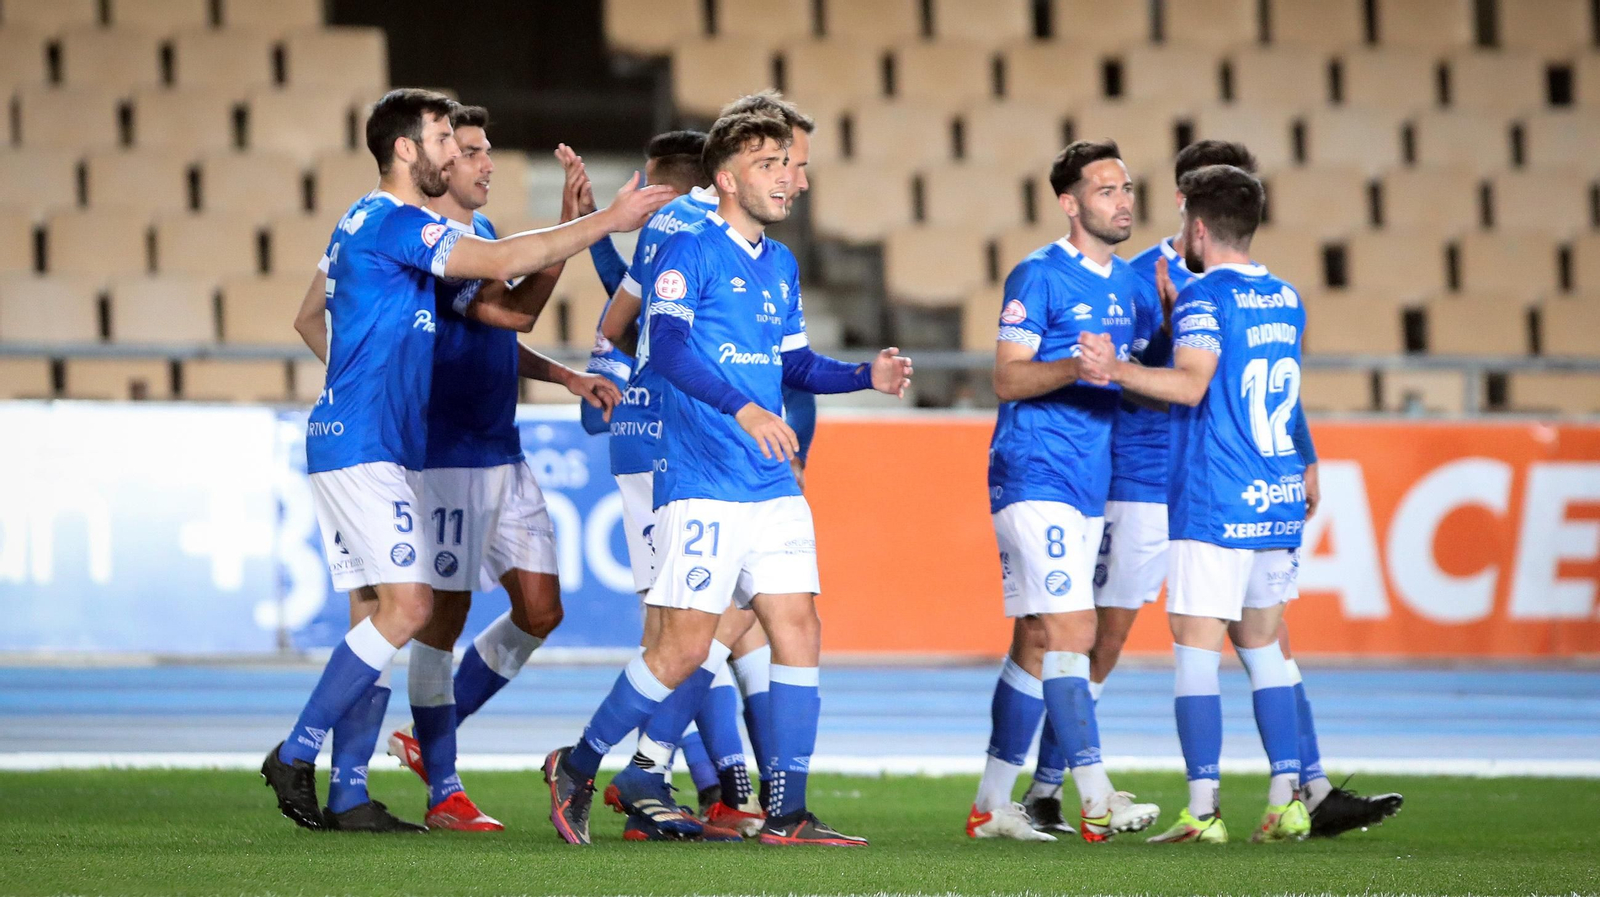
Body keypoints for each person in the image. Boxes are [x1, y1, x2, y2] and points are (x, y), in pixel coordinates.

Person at [262, 87, 671, 833]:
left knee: (380, 612)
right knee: (417, 611)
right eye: (448, 140)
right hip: (377, 445)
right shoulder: (398, 223)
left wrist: (356, 385)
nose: (459, 153)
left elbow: (320, 314)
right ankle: (298, 753)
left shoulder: (362, 217)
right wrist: (604, 223)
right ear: (409, 150)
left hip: (372, 438)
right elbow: (508, 263)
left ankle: (349, 793)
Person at [542, 109, 910, 847]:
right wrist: (744, 410)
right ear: (728, 178)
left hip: (770, 483)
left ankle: (789, 812)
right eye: (772, 163)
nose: (790, 178)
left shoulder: (780, 262)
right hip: (705, 478)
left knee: (798, 627)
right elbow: (668, 347)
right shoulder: (689, 245)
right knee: (680, 649)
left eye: (790, 163)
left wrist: (863, 373)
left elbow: (794, 362)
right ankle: (579, 767)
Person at [1025, 140, 1401, 840]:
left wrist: (1305, 451)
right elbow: (1139, 380)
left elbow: (1247, 380)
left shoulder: (1210, 284)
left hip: (1214, 481)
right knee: (1107, 636)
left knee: (1258, 636)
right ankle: (1050, 784)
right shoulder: (1138, 275)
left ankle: (1301, 790)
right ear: (1187, 204)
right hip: (1144, 476)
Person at [377, 105, 620, 831]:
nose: (484, 163)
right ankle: (443, 785)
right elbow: (510, 313)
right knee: (439, 620)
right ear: (440, 164)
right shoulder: (438, 245)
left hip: (502, 450)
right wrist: (568, 238)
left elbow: (499, 339)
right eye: (471, 150)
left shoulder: (480, 237)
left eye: (486, 151)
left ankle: (427, 742)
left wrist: (566, 377)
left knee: (541, 609)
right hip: (448, 456)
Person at [1078, 162, 1310, 844]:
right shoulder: (1287, 295)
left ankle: (1203, 809)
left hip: (1216, 497)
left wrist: (1112, 367)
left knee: (1196, 654)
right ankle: (1287, 797)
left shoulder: (1207, 299)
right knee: (1265, 651)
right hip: (1277, 495)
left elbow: (1190, 386)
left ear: (1198, 227)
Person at [965, 140, 1160, 844]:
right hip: (1033, 471)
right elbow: (1008, 377)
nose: (1124, 200)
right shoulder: (1039, 275)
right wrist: (1076, 365)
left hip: (1089, 485)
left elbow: (1138, 371)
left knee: (1037, 641)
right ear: (1070, 203)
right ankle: (1097, 797)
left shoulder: (1134, 290)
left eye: (1128, 187)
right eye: (1107, 189)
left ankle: (992, 804)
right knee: (1075, 629)